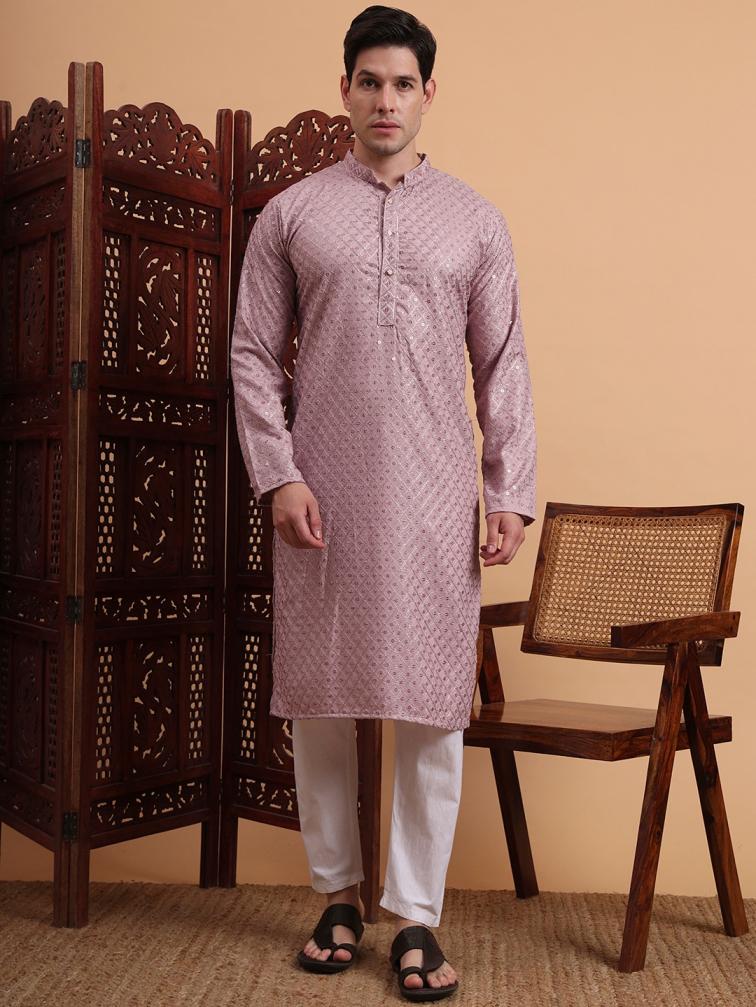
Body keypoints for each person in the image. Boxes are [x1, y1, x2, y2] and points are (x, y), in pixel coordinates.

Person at [230, 5, 537, 1000]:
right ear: (345, 90)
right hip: (320, 494)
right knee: (321, 700)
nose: (386, 100)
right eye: (370, 81)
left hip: (436, 494)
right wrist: (278, 473)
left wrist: (508, 490)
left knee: (431, 706)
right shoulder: (293, 213)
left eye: (404, 82)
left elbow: (502, 363)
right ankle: (336, 896)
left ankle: (414, 915)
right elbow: (251, 352)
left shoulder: (475, 220)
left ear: (429, 93)